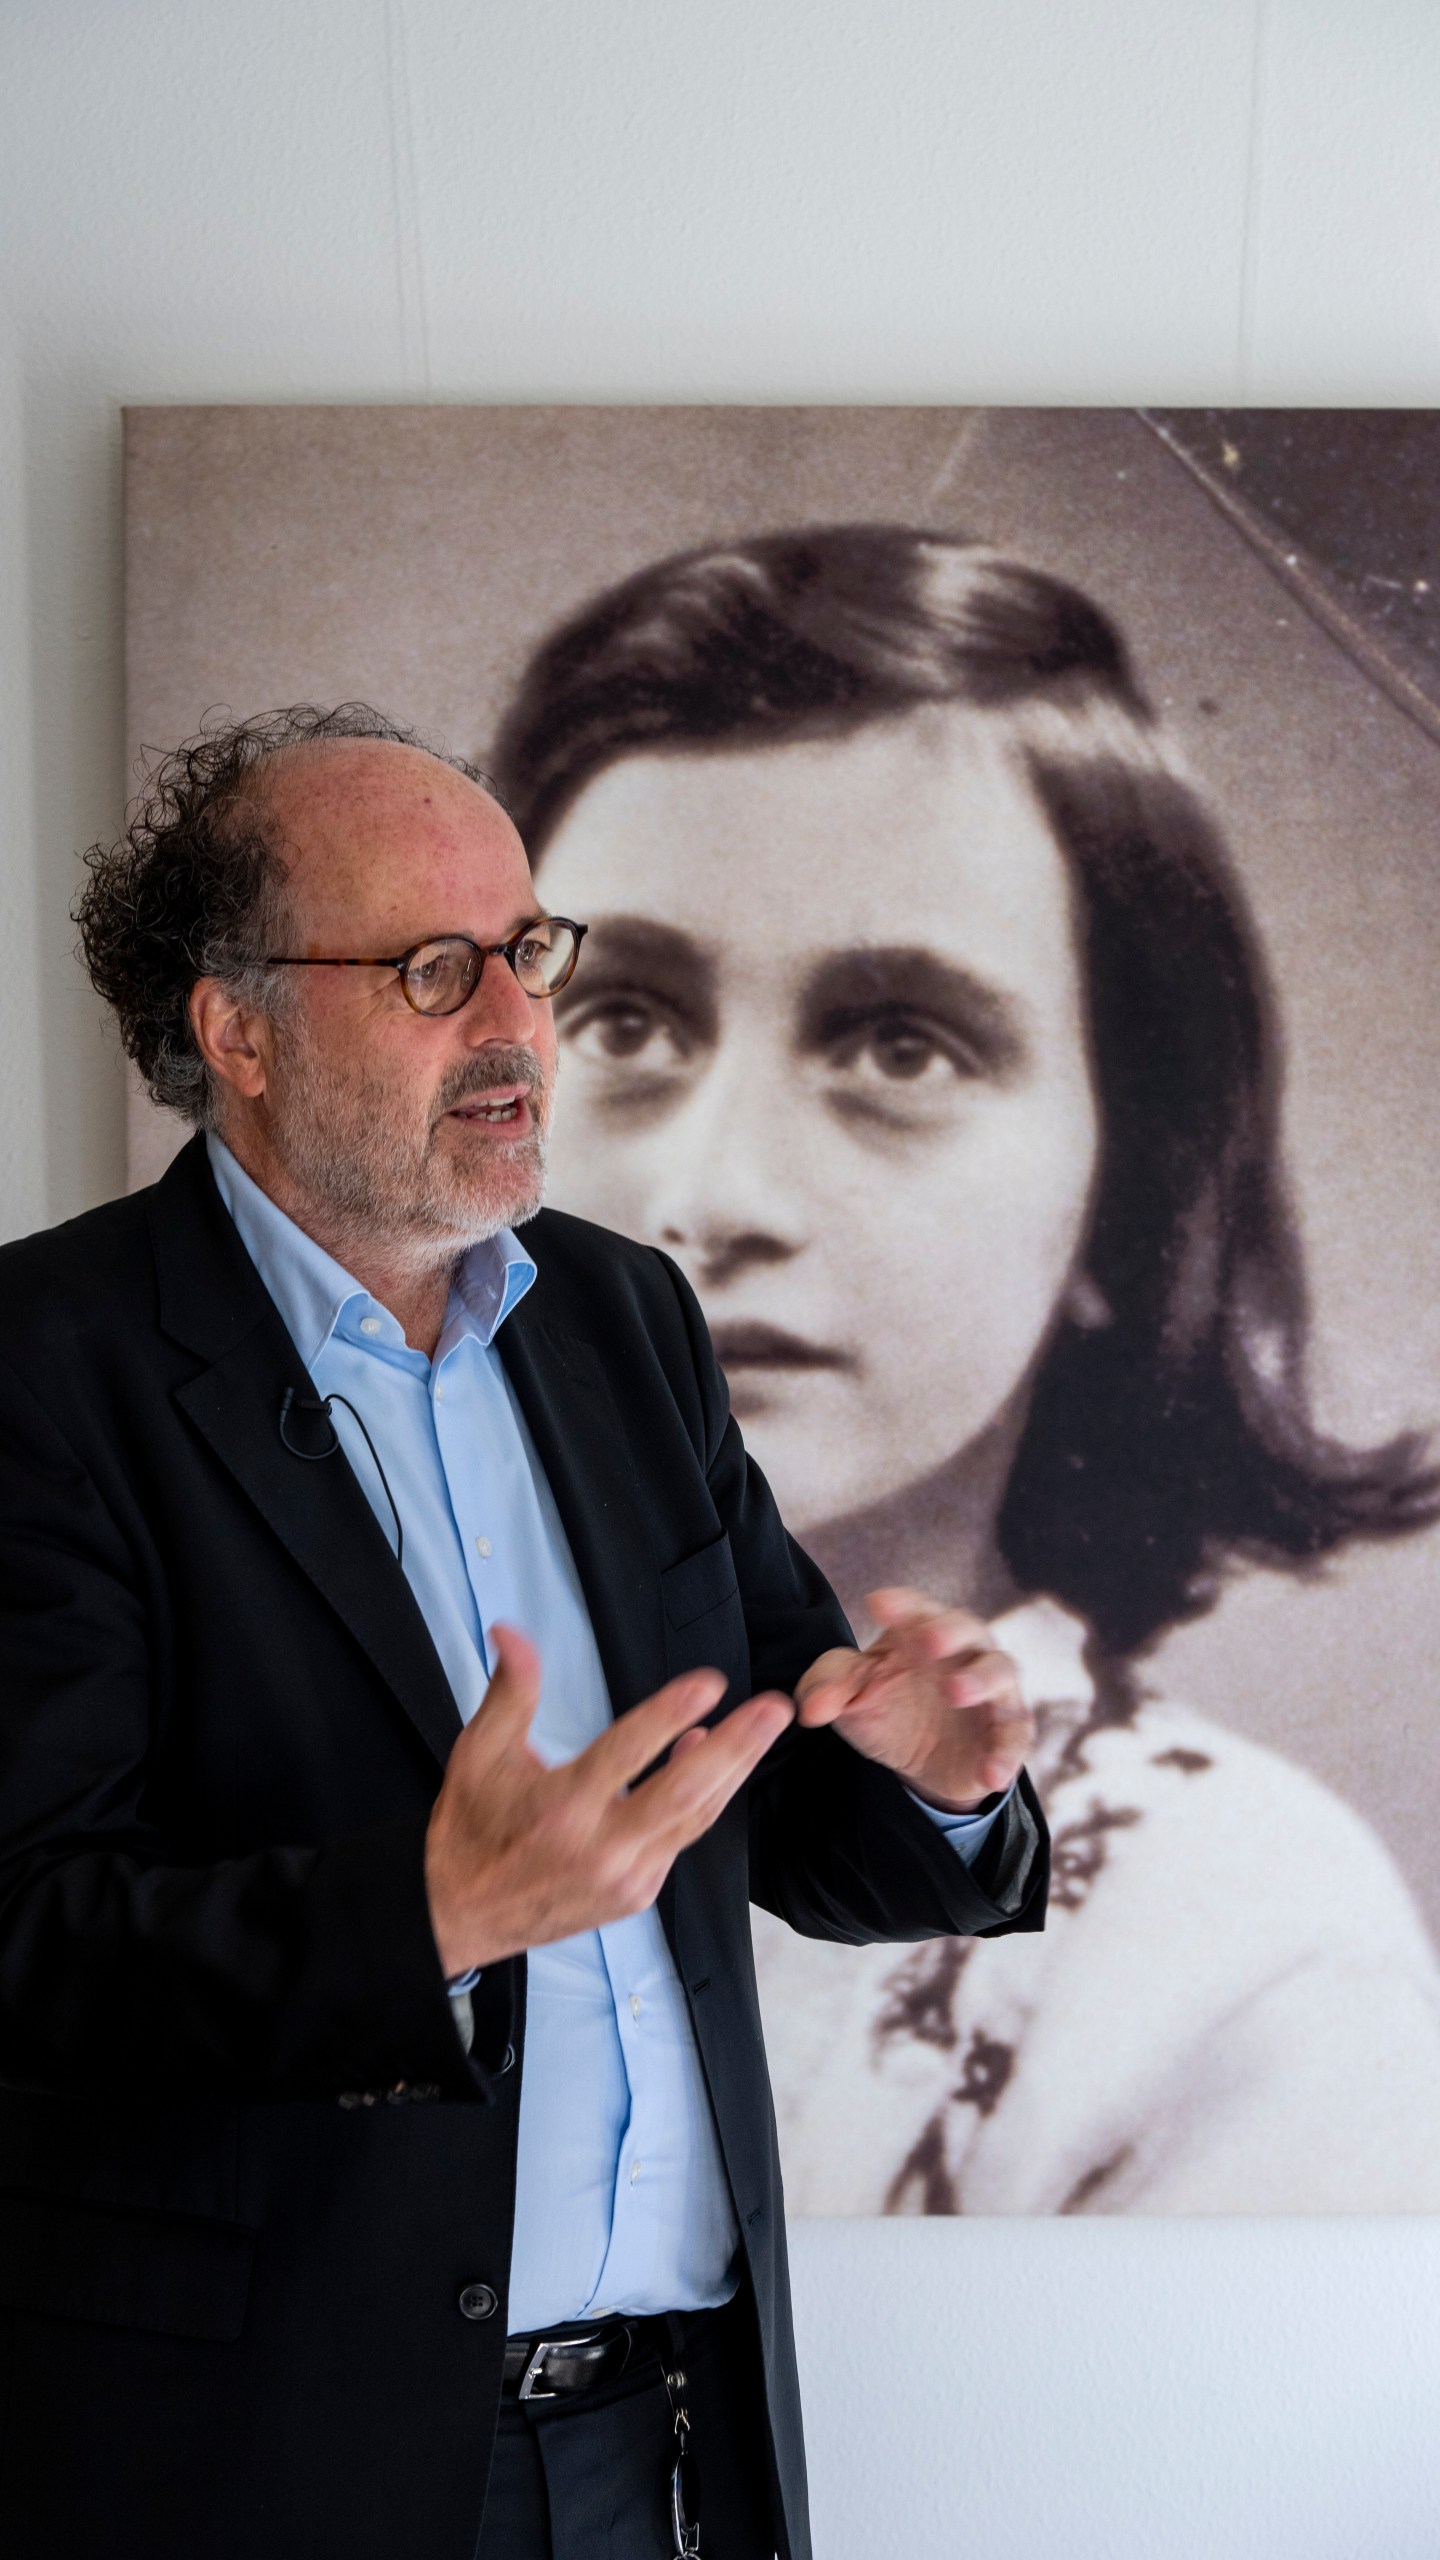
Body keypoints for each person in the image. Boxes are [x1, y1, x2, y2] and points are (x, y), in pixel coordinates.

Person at [0, 703, 1046, 2560]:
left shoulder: (622, 1323)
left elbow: (774, 1784)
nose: (512, 1024)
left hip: (673, 2444)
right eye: (429, 969)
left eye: (528, 951)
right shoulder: (46, 1369)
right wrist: (428, 1919)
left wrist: (939, 1793)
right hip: (279, 2470)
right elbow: (24, 1941)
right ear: (234, 1029)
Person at [490, 521, 1440, 2216]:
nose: (719, 1196)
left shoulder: (1244, 1962)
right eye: (622, 1020)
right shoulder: (300, 1780)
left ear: (1129, 1196)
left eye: (899, 1044)